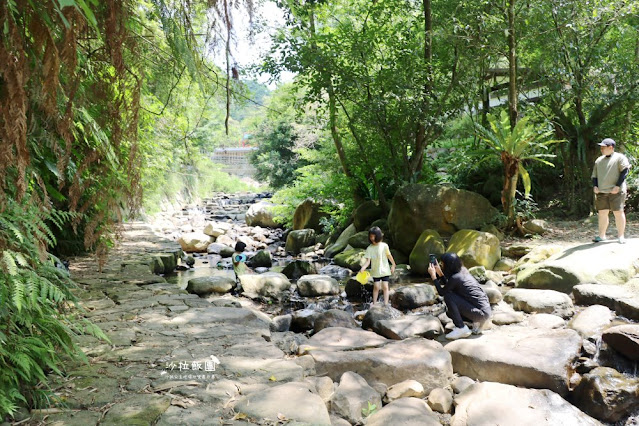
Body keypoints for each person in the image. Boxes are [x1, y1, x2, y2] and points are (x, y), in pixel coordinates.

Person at [427, 252, 491, 340]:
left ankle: (461, 328)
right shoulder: (463, 272)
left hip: (481, 313)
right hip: (484, 311)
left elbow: (443, 292)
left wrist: (433, 277)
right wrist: (440, 274)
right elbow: (450, 286)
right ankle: (475, 323)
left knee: (448, 296)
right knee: (450, 313)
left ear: (449, 266)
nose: (441, 265)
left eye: (443, 264)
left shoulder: (456, 277)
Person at [592, 138, 631, 244]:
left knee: (618, 212)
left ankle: (621, 236)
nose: (601, 149)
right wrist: (595, 186)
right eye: (601, 147)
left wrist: (617, 186)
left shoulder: (620, 158)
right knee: (602, 213)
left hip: (616, 191)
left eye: (603, 147)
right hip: (602, 191)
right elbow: (594, 176)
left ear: (611, 147)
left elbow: (625, 171)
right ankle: (601, 236)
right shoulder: (599, 160)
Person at [359, 226, 396, 306]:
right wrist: (363, 267)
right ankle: (374, 303)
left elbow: (389, 256)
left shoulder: (384, 246)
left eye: (373, 236)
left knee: (385, 287)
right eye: (370, 236)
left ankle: (386, 304)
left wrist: (393, 264)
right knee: (376, 286)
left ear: (378, 236)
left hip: (385, 269)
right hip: (375, 271)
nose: (372, 238)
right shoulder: (369, 248)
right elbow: (368, 261)